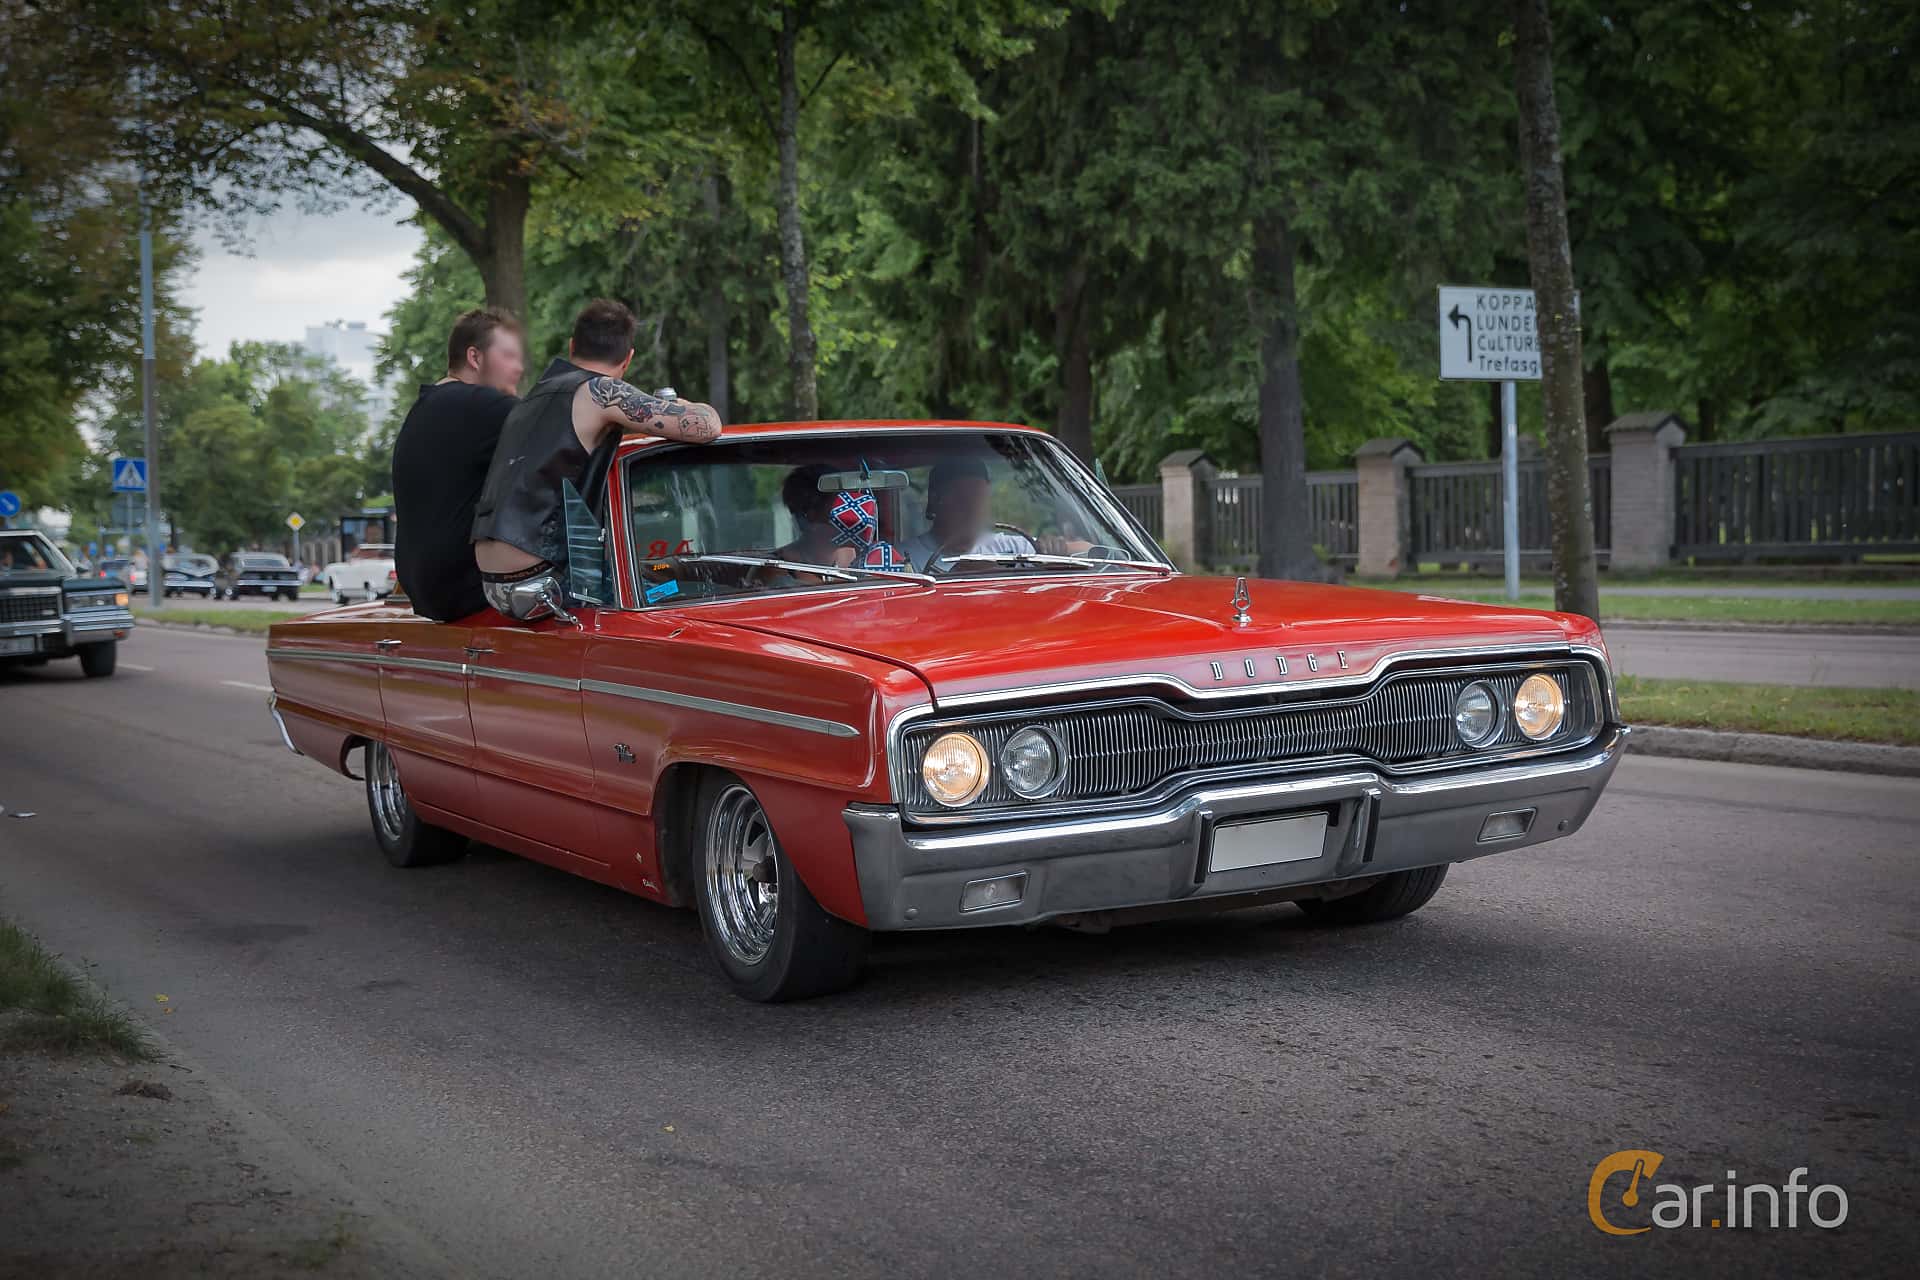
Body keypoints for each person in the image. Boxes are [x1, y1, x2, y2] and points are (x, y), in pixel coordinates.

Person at [472, 299, 723, 617]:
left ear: (572, 345)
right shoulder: (598, 392)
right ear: (628, 358)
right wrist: (689, 407)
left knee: (654, 572)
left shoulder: (532, 397)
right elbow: (706, 427)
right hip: (543, 582)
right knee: (675, 589)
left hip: (494, 582)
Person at [390, 307, 527, 621]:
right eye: (507, 356)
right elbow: (562, 421)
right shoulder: (478, 405)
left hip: (425, 588)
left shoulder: (428, 406)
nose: (518, 368)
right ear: (475, 358)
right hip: (467, 591)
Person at [900, 458, 1089, 572]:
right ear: (936, 500)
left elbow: (1092, 551)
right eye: (963, 499)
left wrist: (1056, 550)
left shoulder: (1011, 547)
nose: (974, 510)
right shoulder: (901, 558)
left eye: (980, 500)